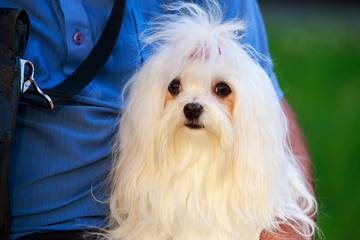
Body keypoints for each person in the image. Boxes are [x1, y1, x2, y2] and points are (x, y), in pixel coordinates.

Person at [0, 0, 315, 239]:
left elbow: (271, 106)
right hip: (38, 223)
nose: (192, 105)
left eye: (221, 90)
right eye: (175, 88)